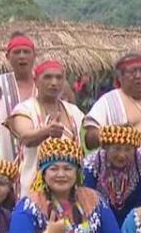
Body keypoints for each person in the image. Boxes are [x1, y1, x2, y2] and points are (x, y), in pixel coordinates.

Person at [7, 60, 85, 196]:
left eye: (58, 77)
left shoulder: (73, 111)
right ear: (36, 81)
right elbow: (25, 138)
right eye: (47, 77)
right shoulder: (25, 109)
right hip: (33, 189)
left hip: (68, 189)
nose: (54, 82)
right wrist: (47, 131)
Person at [84, 53, 141, 156]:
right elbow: (89, 140)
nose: (138, 76)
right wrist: (113, 133)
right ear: (120, 77)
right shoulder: (108, 101)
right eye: (132, 71)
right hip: (125, 169)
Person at [0, 32, 38, 162]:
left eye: (26, 52)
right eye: (17, 52)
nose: (22, 56)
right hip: (10, 160)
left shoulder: (46, 82)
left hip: (45, 159)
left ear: (34, 56)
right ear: (8, 57)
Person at [83, 125, 141, 226]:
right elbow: (87, 202)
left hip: (134, 223)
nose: (122, 155)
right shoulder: (93, 165)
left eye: (128, 149)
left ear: (135, 150)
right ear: (106, 147)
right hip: (100, 222)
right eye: (116, 149)